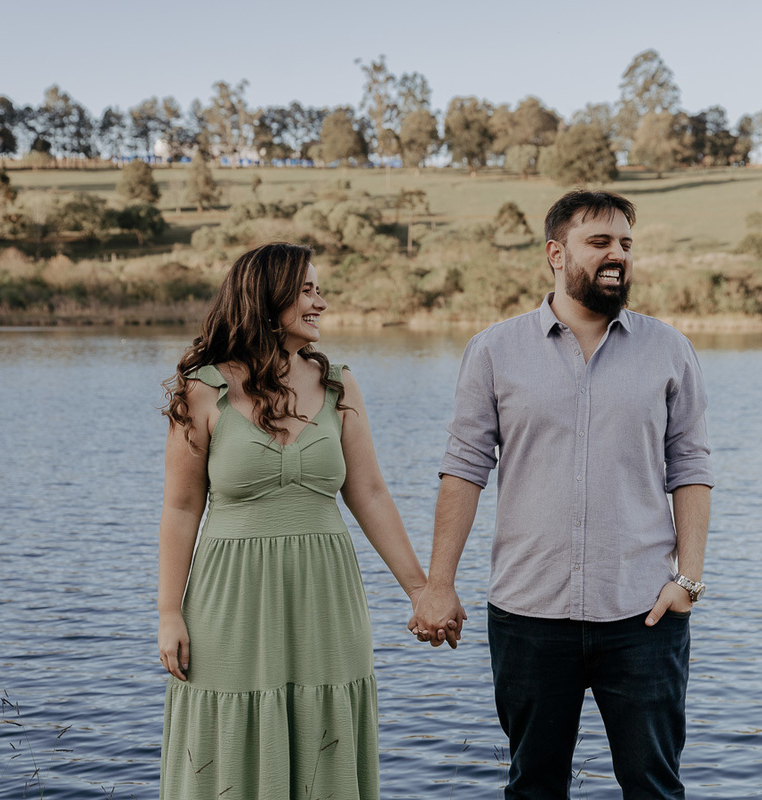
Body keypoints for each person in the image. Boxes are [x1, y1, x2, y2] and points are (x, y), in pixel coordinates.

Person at [409, 190, 714, 799]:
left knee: (654, 786)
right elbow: (464, 468)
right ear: (556, 253)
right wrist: (438, 583)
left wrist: (688, 580)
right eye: (599, 242)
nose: (617, 255)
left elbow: (690, 466)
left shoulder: (669, 349)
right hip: (528, 614)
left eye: (625, 243)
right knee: (534, 787)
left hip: (643, 614)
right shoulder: (494, 351)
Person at [157, 242, 427, 799]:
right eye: (307, 290)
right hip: (228, 600)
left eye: (318, 290)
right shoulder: (204, 389)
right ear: (267, 296)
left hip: (325, 595)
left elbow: (371, 494)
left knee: (322, 732)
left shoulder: (339, 384)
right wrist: (168, 612)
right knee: (227, 741)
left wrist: (421, 591)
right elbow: (181, 508)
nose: (320, 303)